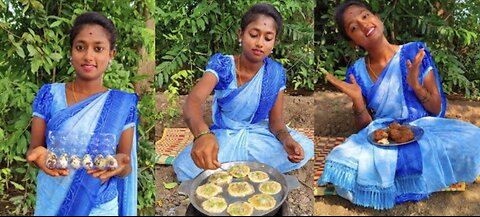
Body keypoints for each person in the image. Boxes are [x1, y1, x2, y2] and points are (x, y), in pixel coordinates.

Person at [318, 0, 480, 210]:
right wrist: (358, 101)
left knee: (472, 137)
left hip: (425, 129)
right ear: (353, 42)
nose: (364, 24)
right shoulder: (357, 72)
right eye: (354, 27)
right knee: (340, 158)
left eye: (365, 16)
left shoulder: (414, 52)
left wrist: (416, 86)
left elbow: (435, 108)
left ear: (377, 18)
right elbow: (365, 129)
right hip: (384, 137)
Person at [173, 3, 314, 181]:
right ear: (241, 34)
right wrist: (202, 135)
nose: (259, 43)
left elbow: (276, 122)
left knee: (305, 147)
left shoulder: (276, 73)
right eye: (253, 35)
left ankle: (231, 166)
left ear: (274, 42)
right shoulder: (223, 66)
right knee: (185, 167)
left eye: (268, 38)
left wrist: (286, 141)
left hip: (259, 136)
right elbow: (192, 104)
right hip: (226, 135)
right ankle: (245, 164)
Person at [25, 12, 138, 216]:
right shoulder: (49, 95)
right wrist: (38, 158)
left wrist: (121, 166)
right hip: (53, 201)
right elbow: (34, 150)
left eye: (98, 48)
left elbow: (124, 162)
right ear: (71, 52)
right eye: (80, 47)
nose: (88, 56)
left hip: (100, 206)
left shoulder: (122, 104)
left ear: (111, 54)